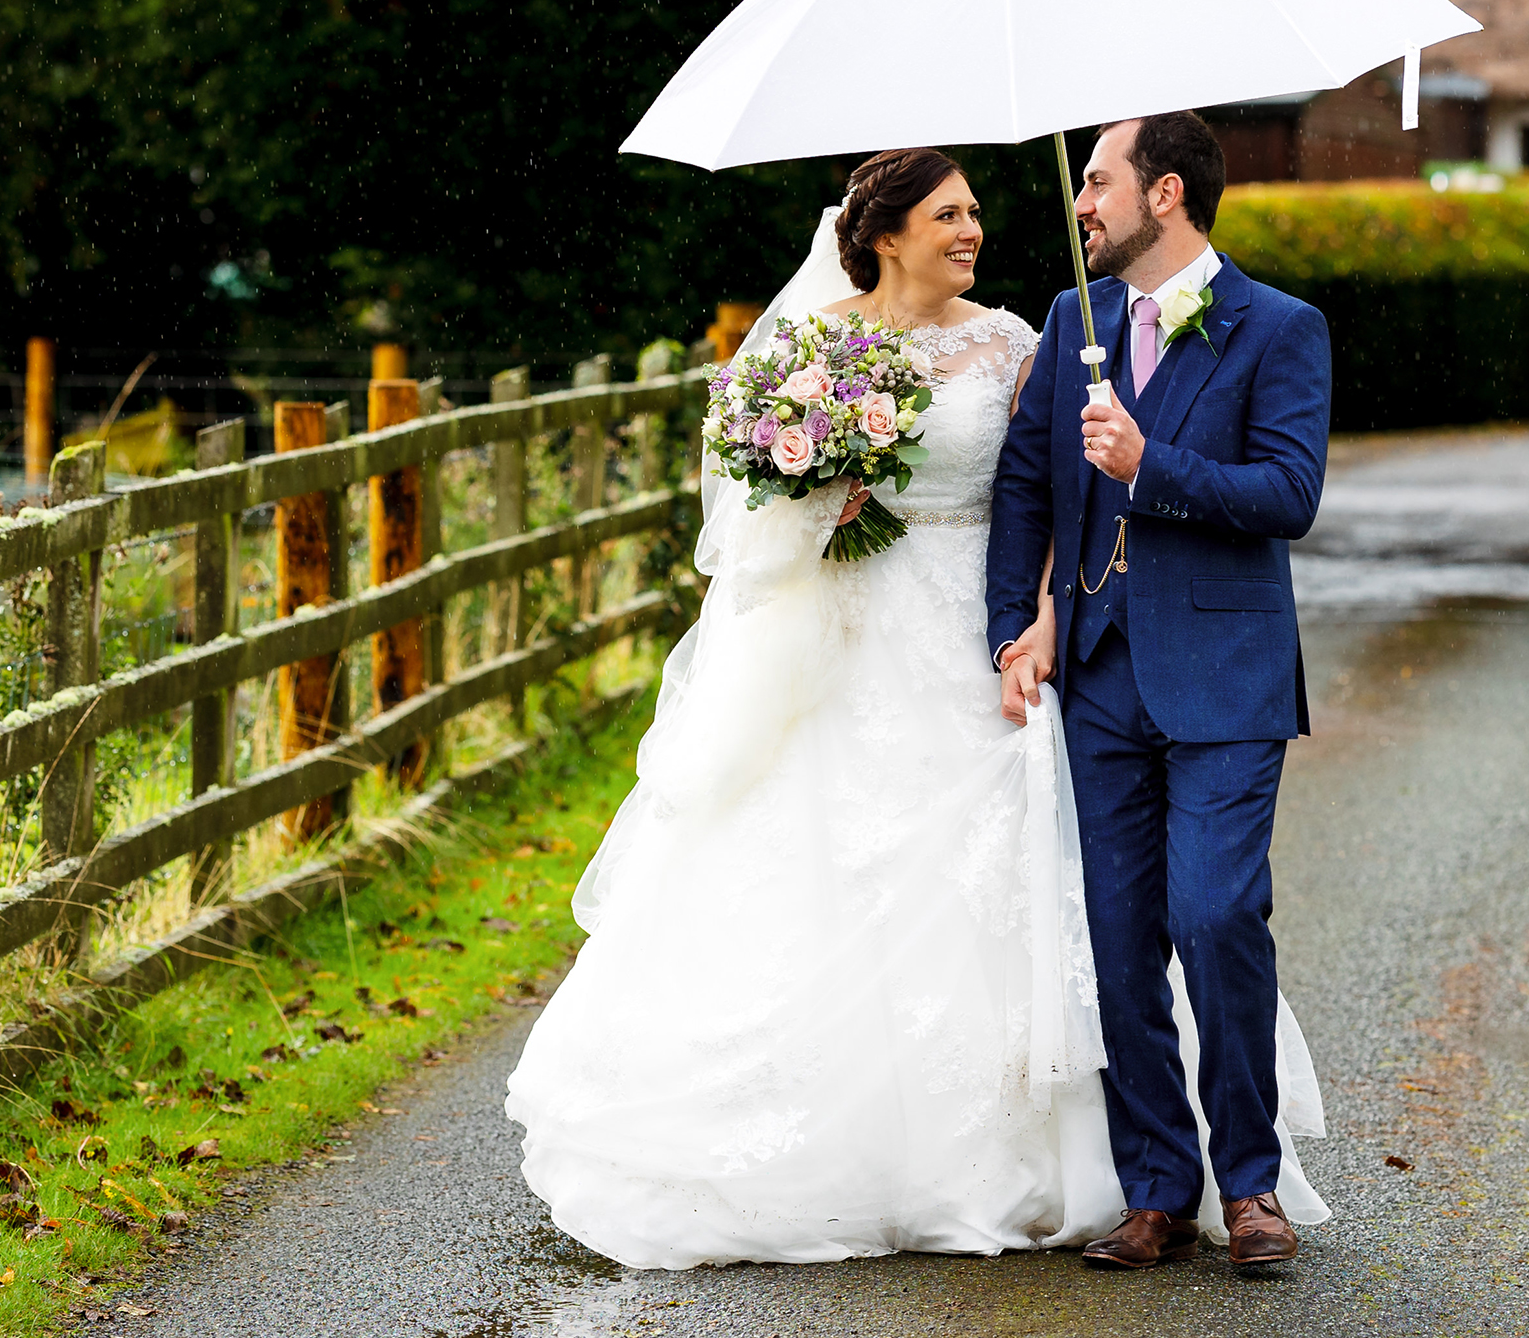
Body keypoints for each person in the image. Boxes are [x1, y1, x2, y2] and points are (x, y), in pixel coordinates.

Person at [505, 146, 1327, 1271]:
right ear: (883, 232)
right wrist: (818, 507)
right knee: (975, 899)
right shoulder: (822, 347)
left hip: (1016, 644)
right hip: (867, 637)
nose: (975, 228)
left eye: (979, 210)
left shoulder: (1036, 337)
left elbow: (1060, 486)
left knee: (1139, 909)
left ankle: (1214, 1182)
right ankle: (1090, 1174)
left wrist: (1037, 608)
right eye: (950, 214)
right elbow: (757, 519)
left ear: (1164, 190)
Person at [988, 112, 1333, 1270]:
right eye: (1082, 183)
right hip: (1096, 674)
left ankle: (1250, 1184)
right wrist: (1012, 629)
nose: (1082, 203)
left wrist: (1152, 468)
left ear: (1166, 192)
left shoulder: (1281, 328)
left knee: (1217, 916)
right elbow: (1025, 489)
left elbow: (1288, 492)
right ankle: (1153, 1185)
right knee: (1121, 940)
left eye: (1099, 182)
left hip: (1229, 676)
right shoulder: (1070, 319)